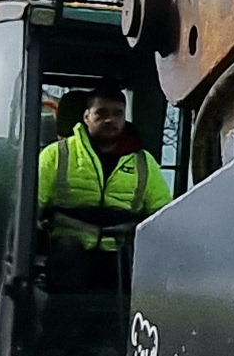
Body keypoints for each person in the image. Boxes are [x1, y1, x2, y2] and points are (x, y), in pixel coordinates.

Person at [37, 86, 171, 259]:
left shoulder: (144, 163)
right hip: (68, 255)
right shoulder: (55, 155)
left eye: (117, 114)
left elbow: (163, 216)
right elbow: (32, 207)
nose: (109, 120)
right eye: (101, 113)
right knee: (67, 250)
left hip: (122, 256)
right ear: (86, 117)